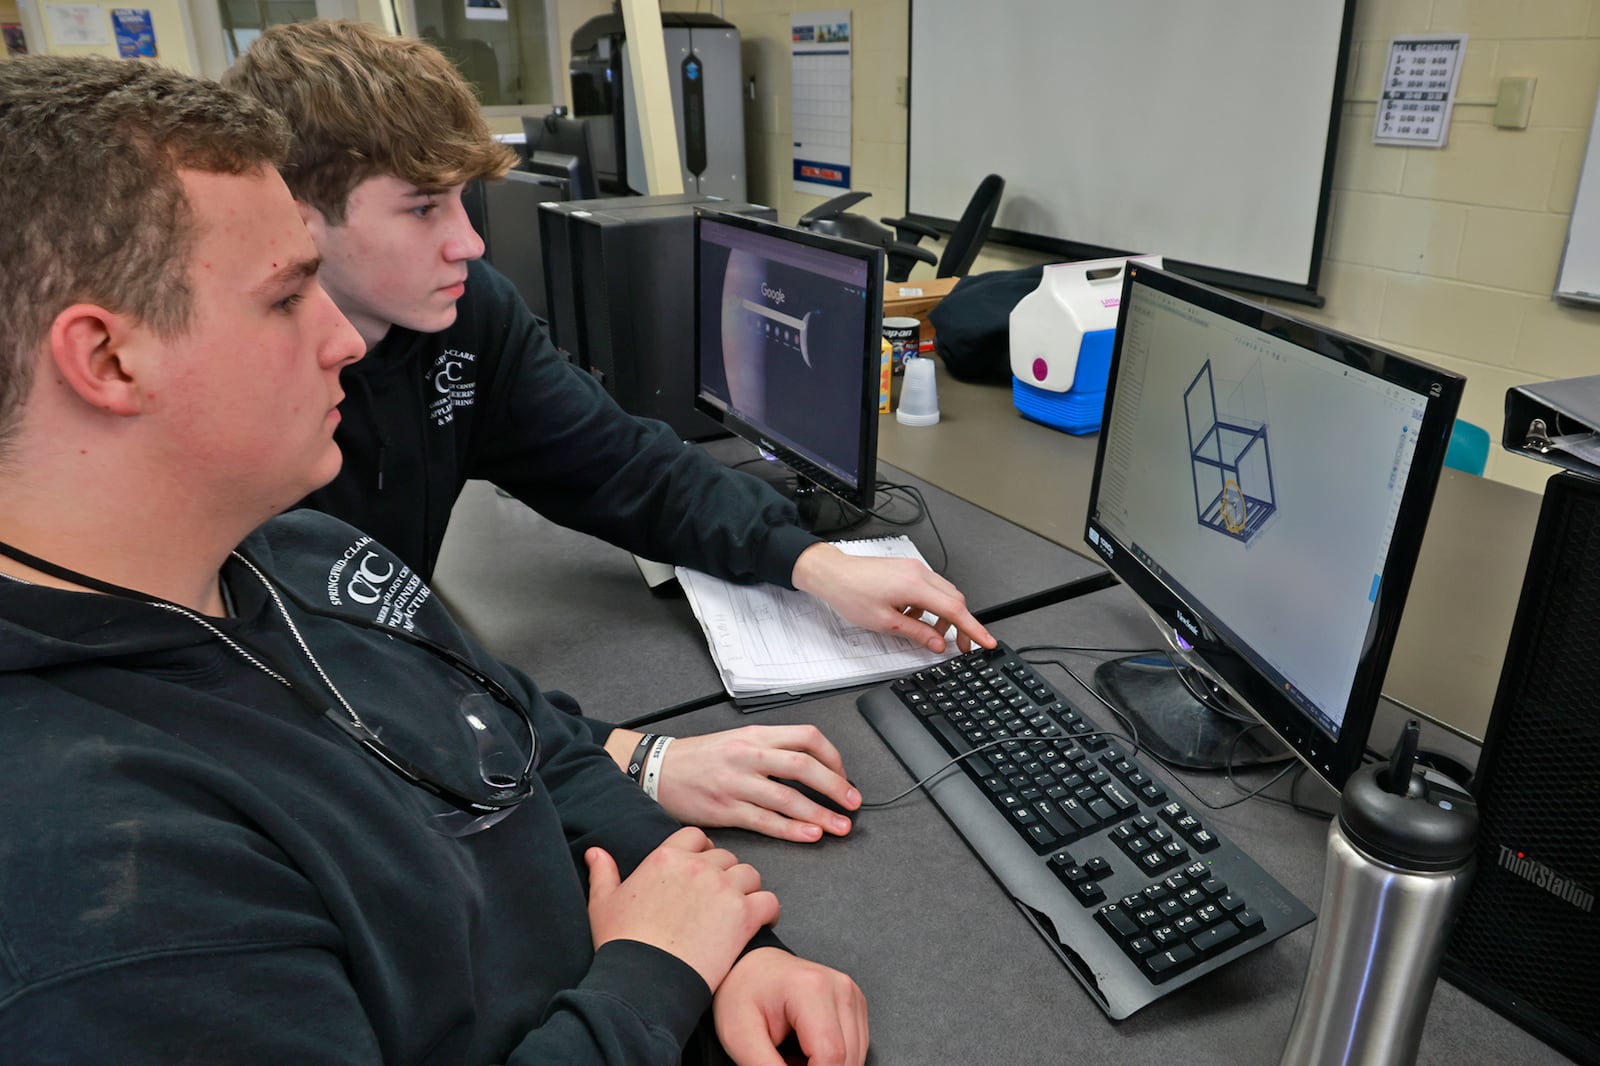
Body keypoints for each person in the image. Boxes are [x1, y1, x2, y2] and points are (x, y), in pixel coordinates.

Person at [0, 55, 866, 1065]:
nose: (343, 341)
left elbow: (518, 741)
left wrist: (733, 951)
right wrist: (654, 973)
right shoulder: (100, 870)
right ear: (108, 358)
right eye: (286, 297)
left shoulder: (303, 554)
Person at [222, 20, 996, 845]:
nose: (470, 241)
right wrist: (634, 760)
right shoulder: (229, 390)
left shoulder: (463, 314)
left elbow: (621, 465)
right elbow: (313, 680)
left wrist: (808, 562)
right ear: (296, 219)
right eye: (422, 208)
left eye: (460, 201)